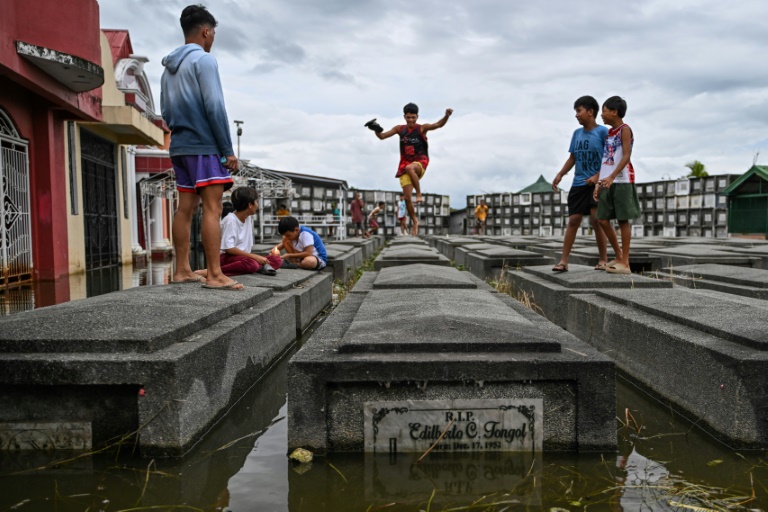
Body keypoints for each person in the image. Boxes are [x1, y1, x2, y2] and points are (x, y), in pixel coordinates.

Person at [161, 5, 241, 289]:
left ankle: (182, 269)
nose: (213, 38)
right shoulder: (204, 61)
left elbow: (166, 113)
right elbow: (215, 106)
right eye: (213, 32)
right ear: (206, 31)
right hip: (204, 144)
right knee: (213, 207)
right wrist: (227, 150)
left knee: (185, 208)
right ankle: (215, 275)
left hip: (180, 145)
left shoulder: (169, 69)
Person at [365, 103, 453, 236]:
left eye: (413, 117)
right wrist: (375, 129)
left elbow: (438, 125)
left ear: (417, 116)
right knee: (406, 198)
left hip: (420, 162)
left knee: (410, 167)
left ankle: (419, 193)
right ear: (404, 117)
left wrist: (446, 116)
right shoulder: (399, 129)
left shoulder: (422, 128)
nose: (411, 120)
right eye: (408, 117)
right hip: (404, 165)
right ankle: (415, 221)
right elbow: (382, 136)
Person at [550, 96, 609, 272]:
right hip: (578, 182)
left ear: (590, 112)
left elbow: (609, 159)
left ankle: (603, 259)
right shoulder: (577, 133)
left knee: (596, 220)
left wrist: (598, 176)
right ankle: (563, 261)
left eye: (579, 111)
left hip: (597, 184)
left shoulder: (602, 132)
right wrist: (561, 173)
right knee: (573, 220)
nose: (576, 115)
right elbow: (573, 157)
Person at [594, 96, 641, 275]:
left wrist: (613, 177)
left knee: (622, 220)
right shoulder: (609, 133)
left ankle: (626, 262)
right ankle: (619, 256)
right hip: (607, 180)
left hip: (621, 180)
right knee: (602, 219)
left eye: (604, 111)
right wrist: (600, 182)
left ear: (614, 111)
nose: (602, 115)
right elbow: (606, 160)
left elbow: (626, 156)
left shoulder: (625, 130)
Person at [194, 187, 282, 280]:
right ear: (250, 205)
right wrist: (255, 256)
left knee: (276, 260)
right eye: (256, 201)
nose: (257, 204)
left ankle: (255, 267)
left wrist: (256, 258)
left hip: (242, 258)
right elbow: (228, 248)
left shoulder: (248, 218)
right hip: (226, 258)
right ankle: (212, 272)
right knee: (252, 264)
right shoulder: (230, 220)